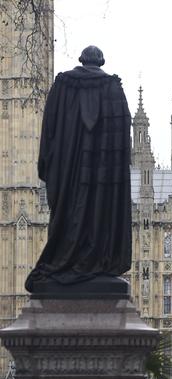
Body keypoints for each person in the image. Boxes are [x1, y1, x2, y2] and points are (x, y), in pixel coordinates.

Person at [25, 45, 132, 293]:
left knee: (68, 214)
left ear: (81, 60)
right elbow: (123, 139)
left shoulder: (63, 85)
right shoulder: (113, 88)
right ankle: (95, 259)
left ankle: (65, 258)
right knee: (99, 213)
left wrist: (47, 164)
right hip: (103, 175)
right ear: (101, 61)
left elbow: (48, 129)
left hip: (68, 171)